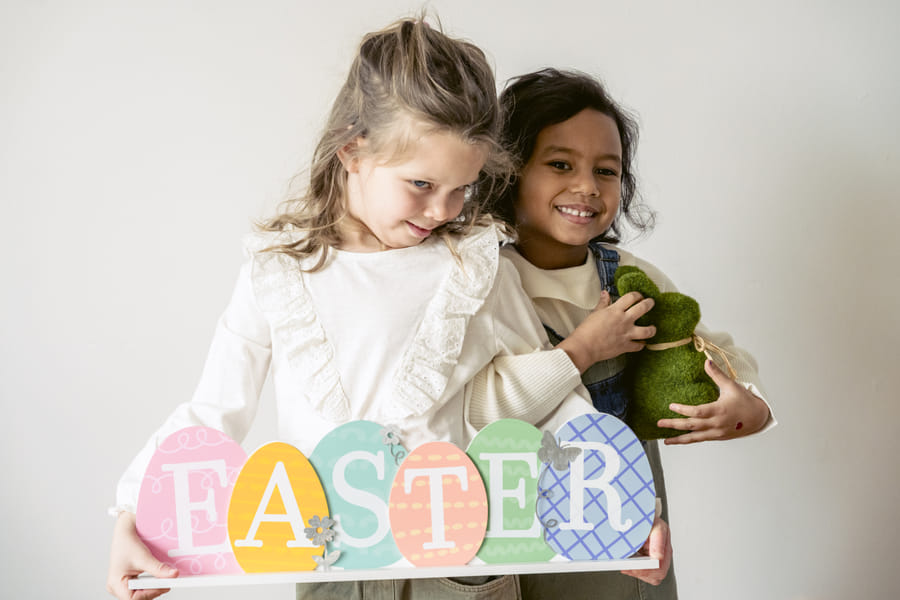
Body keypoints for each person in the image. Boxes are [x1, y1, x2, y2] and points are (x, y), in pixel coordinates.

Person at [105, 22, 670, 600]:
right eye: (421, 183)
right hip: (329, 570)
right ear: (353, 149)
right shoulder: (277, 272)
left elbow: (556, 406)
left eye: (462, 188)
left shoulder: (475, 267)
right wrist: (133, 515)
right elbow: (213, 411)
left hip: (461, 570)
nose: (442, 210)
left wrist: (629, 511)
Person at [491, 68, 777, 599]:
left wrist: (749, 408)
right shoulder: (482, 285)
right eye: (560, 164)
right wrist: (584, 349)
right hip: (521, 540)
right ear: (508, 172)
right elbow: (479, 407)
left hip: (629, 540)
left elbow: (718, 355)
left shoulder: (629, 278)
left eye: (606, 170)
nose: (587, 186)